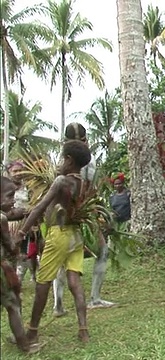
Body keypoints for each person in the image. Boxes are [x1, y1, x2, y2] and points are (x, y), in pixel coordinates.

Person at [18, 140, 92, 343]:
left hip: (59, 235)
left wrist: (22, 231)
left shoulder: (61, 181)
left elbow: (40, 207)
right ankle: (83, 330)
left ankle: (32, 332)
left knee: (43, 283)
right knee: (75, 282)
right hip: (76, 236)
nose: (59, 162)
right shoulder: (83, 182)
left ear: (69, 160)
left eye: (62, 158)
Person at [52, 122, 116, 313]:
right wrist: (96, 212)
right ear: (85, 140)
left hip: (60, 215)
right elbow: (89, 189)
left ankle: (58, 304)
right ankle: (94, 298)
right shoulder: (88, 160)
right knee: (103, 250)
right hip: (83, 212)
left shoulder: (60, 161)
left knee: (61, 258)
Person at [1, 177, 43, 353]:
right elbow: (9, 246)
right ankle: (24, 345)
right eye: (9, 196)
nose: (13, 201)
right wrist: (17, 239)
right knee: (13, 306)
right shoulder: (1, 218)